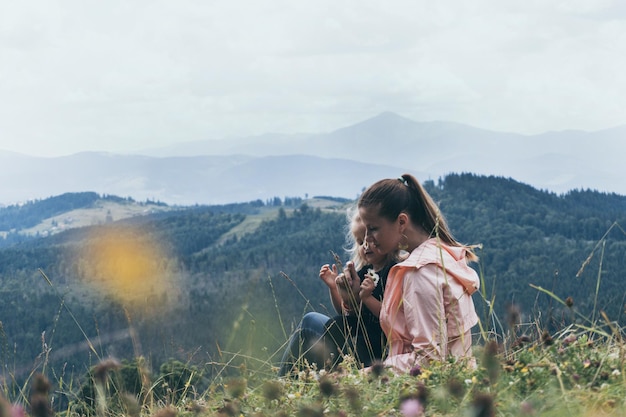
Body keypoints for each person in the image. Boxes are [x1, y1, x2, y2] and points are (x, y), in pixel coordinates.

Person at [354, 173, 480, 373]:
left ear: (402, 222)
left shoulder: (420, 272)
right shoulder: (439, 254)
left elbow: (429, 360)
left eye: (373, 229)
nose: (367, 239)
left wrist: (363, 376)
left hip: (425, 391)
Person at [278, 208, 397, 376]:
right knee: (314, 320)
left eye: (369, 239)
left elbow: (392, 318)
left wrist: (367, 298)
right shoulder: (364, 271)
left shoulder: (393, 271)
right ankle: (289, 382)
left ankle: (307, 378)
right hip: (354, 338)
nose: (365, 246)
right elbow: (345, 311)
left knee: (316, 324)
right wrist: (335, 288)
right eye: (359, 241)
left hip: (373, 349)